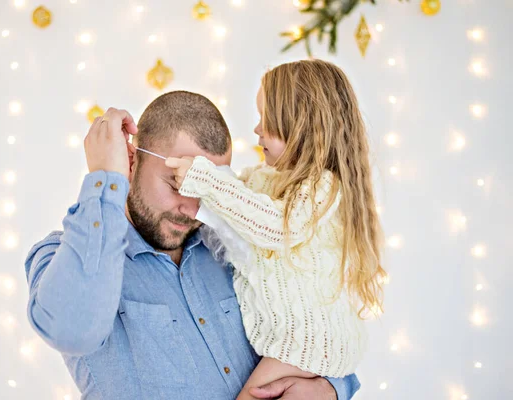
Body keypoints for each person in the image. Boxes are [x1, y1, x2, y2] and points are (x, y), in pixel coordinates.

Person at [24, 90, 360, 399]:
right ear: (130, 160)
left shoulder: (234, 247)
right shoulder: (62, 256)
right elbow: (71, 332)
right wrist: (104, 179)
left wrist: (330, 389)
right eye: (175, 183)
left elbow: (318, 325)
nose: (192, 207)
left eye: (203, 189)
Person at [165, 60, 386, 399]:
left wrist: (206, 179)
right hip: (287, 343)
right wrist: (202, 192)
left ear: (301, 129)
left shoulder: (323, 187)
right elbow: (235, 211)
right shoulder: (264, 179)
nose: (257, 131)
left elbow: (276, 228)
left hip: (308, 341)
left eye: (267, 122)